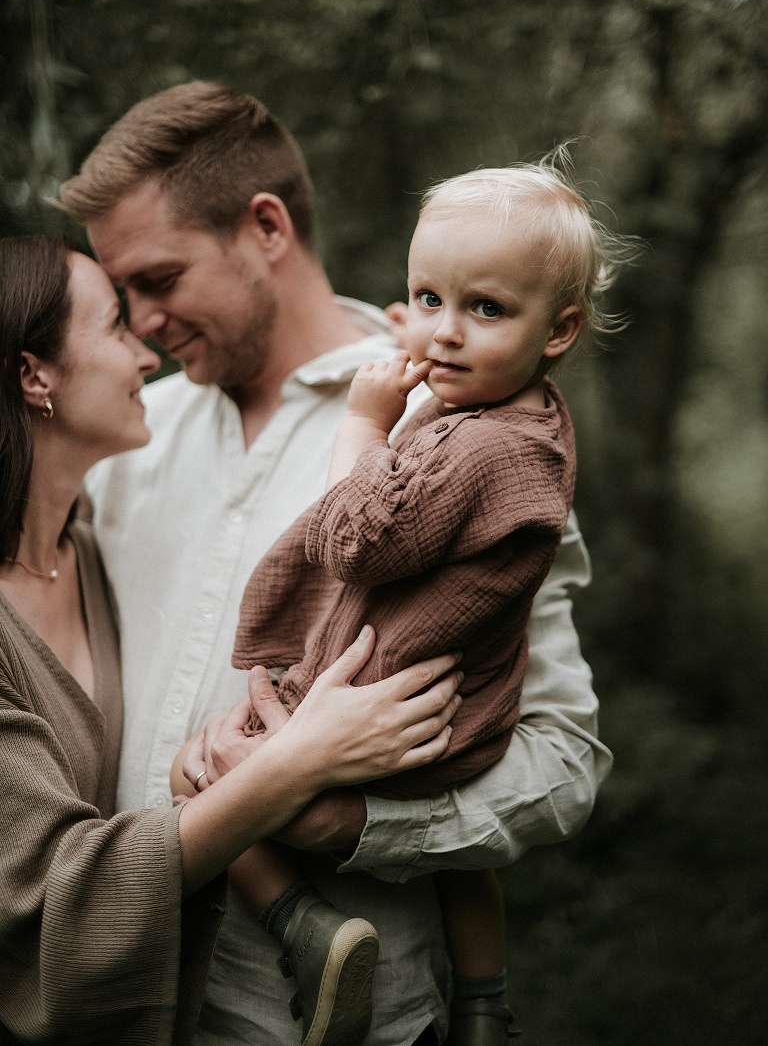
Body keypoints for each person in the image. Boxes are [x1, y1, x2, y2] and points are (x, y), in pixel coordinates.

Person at [58, 81, 613, 1046]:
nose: (142, 322)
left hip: (347, 1026)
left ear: (266, 227)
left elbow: (564, 761)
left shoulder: (463, 436)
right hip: (128, 1005)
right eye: (123, 295)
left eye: (161, 279)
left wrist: (352, 825)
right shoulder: (125, 438)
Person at [0, 236, 462, 1045]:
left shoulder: (88, 555)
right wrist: (303, 759)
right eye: (115, 325)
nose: (147, 355)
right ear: (35, 376)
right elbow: (60, 891)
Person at [207, 161, 607, 1046]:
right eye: (429, 298)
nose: (445, 334)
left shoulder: (483, 451)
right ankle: (483, 1002)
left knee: (201, 779)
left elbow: (355, 539)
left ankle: (304, 928)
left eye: (486, 308)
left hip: (382, 712)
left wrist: (364, 422)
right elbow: (454, 417)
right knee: (461, 869)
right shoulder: (530, 416)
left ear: (560, 330)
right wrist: (444, 343)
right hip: (464, 718)